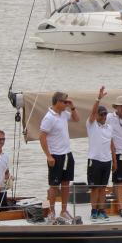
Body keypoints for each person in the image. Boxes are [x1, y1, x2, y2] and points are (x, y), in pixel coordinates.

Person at [39, 90, 79, 223]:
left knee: (66, 183)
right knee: (54, 185)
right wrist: (48, 156)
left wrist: (72, 107)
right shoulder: (49, 117)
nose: (66, 104)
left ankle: (64, 210)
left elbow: (76, 119)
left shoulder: (64, 114)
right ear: (57, 102)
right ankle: (51, 212)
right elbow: (42, 137)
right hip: (55, 155)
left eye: (67, 102)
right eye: (64, 102)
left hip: (67, 154)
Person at [86, 87, 114, 222]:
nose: (103, 117)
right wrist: (98, 99)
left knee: (103, 188)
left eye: (105, 115)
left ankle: (102, 210)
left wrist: (114, 160)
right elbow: (92, 113)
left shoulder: (109, 127)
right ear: (96, 115)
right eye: (101, 114)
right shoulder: (91, 125)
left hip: (107, 161)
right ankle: (94, 211)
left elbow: (111, 144)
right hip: (94, 160)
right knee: (95, 188)